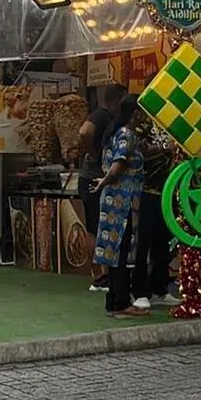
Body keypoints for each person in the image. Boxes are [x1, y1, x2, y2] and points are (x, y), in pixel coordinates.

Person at [91, 94, 146, 318]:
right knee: (120, 252)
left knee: (114, 252)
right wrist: (103, 181)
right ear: (135, 113)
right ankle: (121, 302)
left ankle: (113, 302)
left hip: (112, 199)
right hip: (122, 202)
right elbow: (117, 166)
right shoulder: (126, 135)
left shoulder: (115, 133)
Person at [77, 84, 126, 293]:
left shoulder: (112, 120)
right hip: (93, 178)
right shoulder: (101, 115)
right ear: (114, 102)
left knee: (99, 226)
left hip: (98, 178)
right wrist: (93, 152)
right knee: (94, 227)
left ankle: (103, 274)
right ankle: (99, 275)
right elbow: (84, 131)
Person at [130, 138, 179, 309]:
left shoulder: (171, 125)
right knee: (143, 243)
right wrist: (165, 147)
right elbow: (138, 151)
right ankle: (139, 291)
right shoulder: (144, 123)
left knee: (163, 242)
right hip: (145, 191)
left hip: (167, 191)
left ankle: (160, 289)